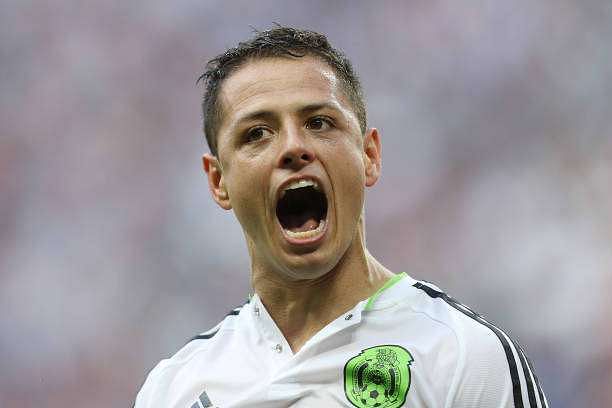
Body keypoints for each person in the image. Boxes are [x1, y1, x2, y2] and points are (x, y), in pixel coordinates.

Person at [134, 26, 547, 408]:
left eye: (319, 122)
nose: (293, 147)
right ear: (218, 179)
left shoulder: (461, 356)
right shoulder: (173, 388)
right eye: (257, 133)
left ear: (369, 155)